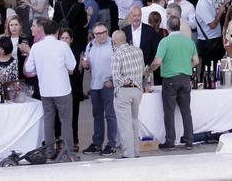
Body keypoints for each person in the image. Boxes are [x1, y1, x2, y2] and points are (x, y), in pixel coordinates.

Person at [26, 18, 77, 161]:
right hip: (63, 90)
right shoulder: (63, 46)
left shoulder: (36, 47)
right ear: (57, 32)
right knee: (66, 121)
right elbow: (72, 65)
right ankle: (68, 153)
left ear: (43, 31)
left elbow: (29, 68)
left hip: (45, 90)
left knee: (48, 121)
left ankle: (49, 152)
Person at [149, 15, 198, 149]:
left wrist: (148, 70)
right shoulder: (189, 41)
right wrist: (186, 66)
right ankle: (189, 140)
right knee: (186, 111)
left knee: (169, 111)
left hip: (170, 79)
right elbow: (196, 61)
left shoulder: (165, 41)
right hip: (185, 78)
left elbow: (157, 61)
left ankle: (170, 140)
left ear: (168, 28)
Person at [109, 30, 145, 158]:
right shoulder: (138, 51)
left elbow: (116, 77)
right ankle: (136, 152)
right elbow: (142, 69)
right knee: (134, 121)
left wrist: (127, 81)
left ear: (114, 42)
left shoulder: (116, 54)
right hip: (138, 90)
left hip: (124, 90)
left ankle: (128, 154)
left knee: (125, 125)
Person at [82, 23, 117, 156]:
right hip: (95, 85)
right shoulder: (90, 45)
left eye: (104, 32)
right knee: (97, 115)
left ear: (107, 32)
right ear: (94, 35)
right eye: (98, 34)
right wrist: (86, 65)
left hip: (108, 84)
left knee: (110, 115)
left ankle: (112, 143)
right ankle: (97, 143)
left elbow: (119, 64)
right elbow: (89, 65)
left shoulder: (113, 44)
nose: (101, 35)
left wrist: (113, 81)